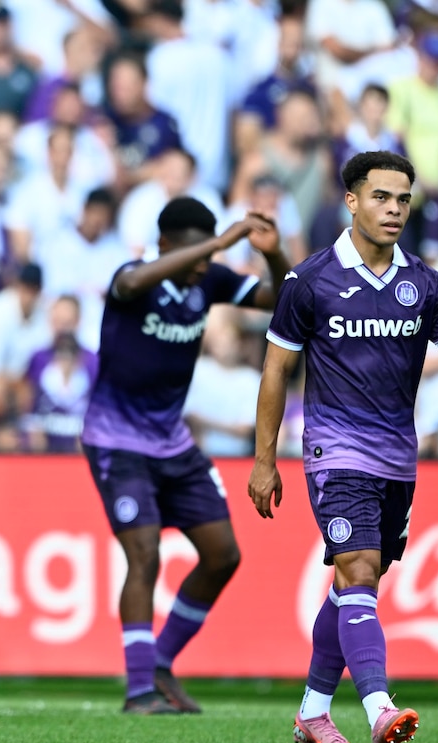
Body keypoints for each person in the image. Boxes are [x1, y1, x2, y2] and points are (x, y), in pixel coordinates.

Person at [248, 150, 438, 743]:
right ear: (352, 200)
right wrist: (264, 458)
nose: (393, 209)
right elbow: (275, 372)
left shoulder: (423, 282)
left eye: (402, 199)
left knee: (351, 587)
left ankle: (312, 715)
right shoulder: (309, 281)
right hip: (333, 450)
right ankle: (379, 707)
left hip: (398, 457)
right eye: (380, 197)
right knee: (360, 569)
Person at [81, 197, 289, 714]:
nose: (204, 263)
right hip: (117, 440)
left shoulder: (210, 280)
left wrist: (274, 253)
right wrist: (218, 245)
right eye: (195, 250)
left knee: (224, 555)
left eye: (209, 250)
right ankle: (138, 690)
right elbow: (128, 285)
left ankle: (160, 661)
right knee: (144, 553)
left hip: (172, 441)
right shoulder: (135, 276)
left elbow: (283, 298)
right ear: (166, 243)